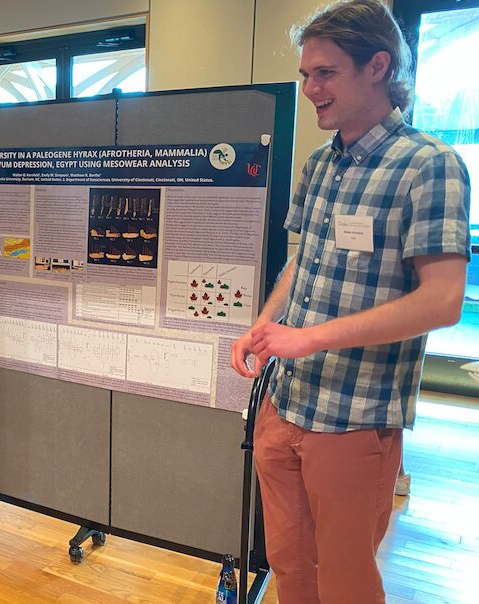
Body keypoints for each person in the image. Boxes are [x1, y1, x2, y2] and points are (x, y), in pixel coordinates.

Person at [230, 1, 470, 602]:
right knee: (289, 565)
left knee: (345, 581)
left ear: (378, 67)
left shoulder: (430, 166)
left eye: (326, 73)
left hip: (354, 417)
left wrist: (309, 338)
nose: (310, 88)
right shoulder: (319, 164)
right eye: (306, 74)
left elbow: (441, 301)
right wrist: (262, 327)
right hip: (285, 404)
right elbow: (300, 261)